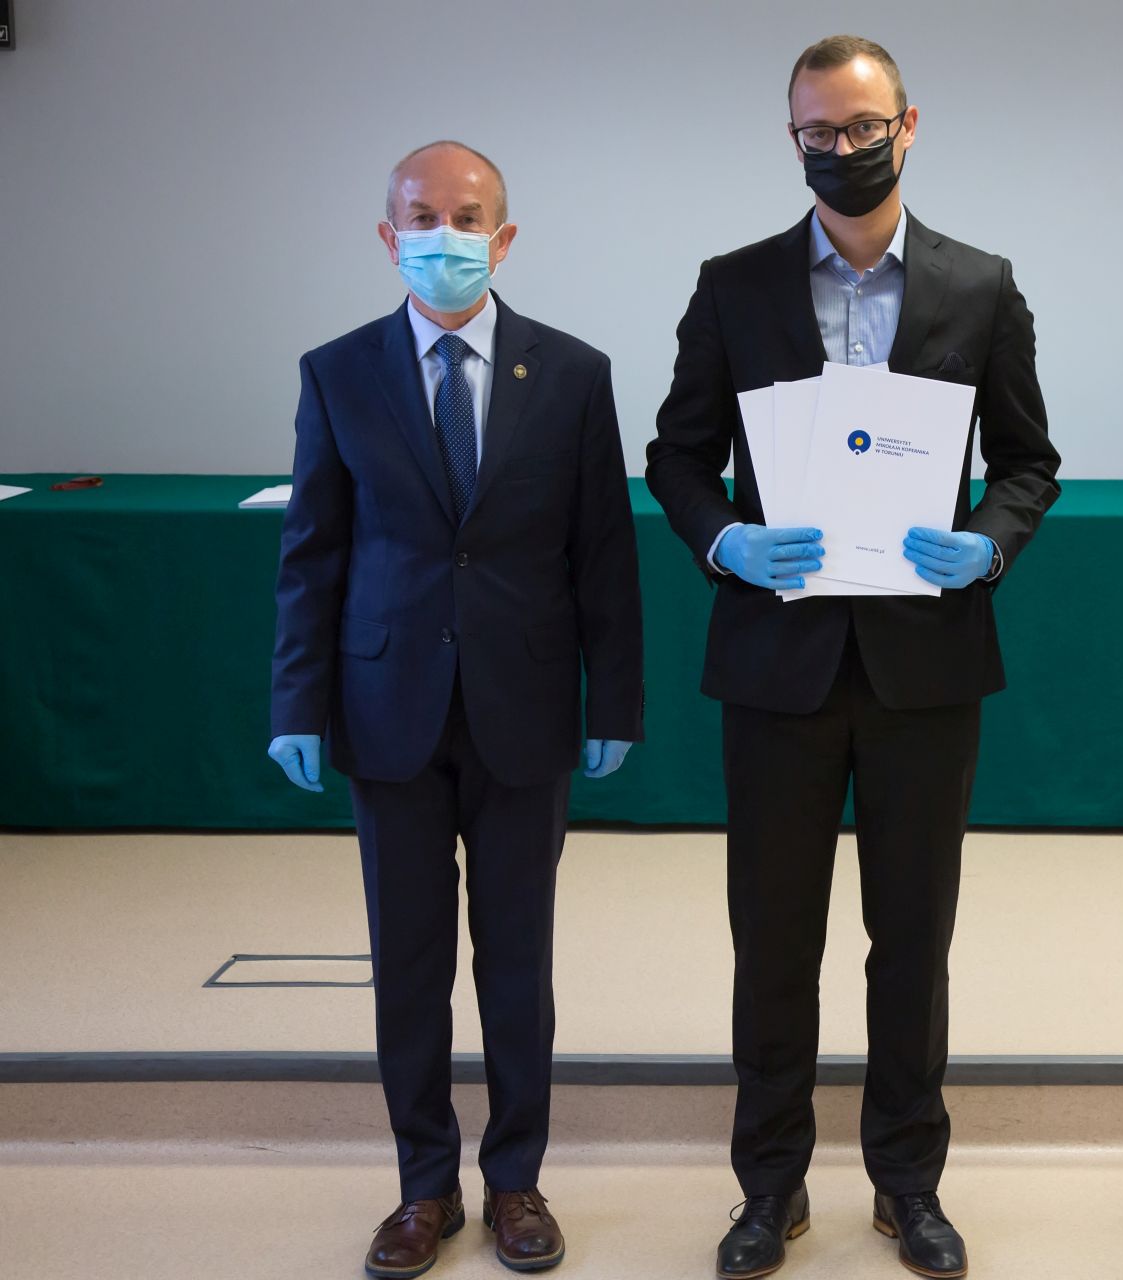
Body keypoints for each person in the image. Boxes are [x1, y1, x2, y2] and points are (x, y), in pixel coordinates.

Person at [647, 34, 1059, 1280]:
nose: (842, 148)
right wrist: (725, 539)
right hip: (775, 661)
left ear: (908, 125)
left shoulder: (981, 285)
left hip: (925, 665)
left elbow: (1029, 462)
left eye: (863, 126)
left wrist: (987, 543)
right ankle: (769, 1187)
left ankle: (907, 1182)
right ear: (793, 139)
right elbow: (676, 456)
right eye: (817, 132)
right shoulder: (734, 285)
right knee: (773, 940)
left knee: (912, 939)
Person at [267, 140, 644, 1278]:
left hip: (525, 704)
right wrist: (296, 700)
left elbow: (603, 553)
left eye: (467, 217)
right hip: (386, 706)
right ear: (389, 237)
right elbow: (313, 552)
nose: (445, 235)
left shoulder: (571, 373)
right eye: (422, 217)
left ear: (504, 236)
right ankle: (423, 1186)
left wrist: (616, 697)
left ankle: (516, 1178)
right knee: (410, 960)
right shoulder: (338, 372)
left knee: (517, 960)